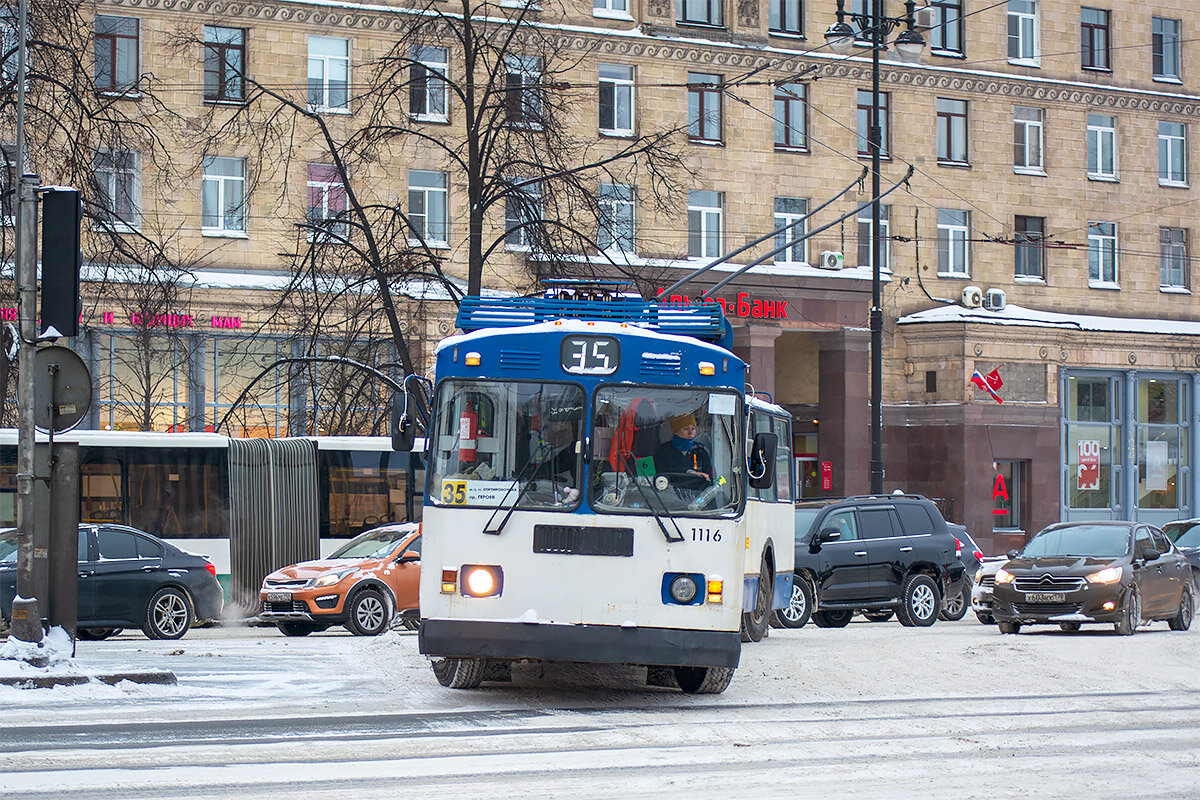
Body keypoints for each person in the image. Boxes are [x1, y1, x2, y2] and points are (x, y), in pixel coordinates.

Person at [654, 413, 711, 482]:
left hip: (698, 491)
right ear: (675, 431)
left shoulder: (700, 450)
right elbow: (665, 472)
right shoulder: (663, 450)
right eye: (686, 429)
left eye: (693, 429)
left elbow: (708, 475)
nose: (690, 433)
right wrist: (690, 472)